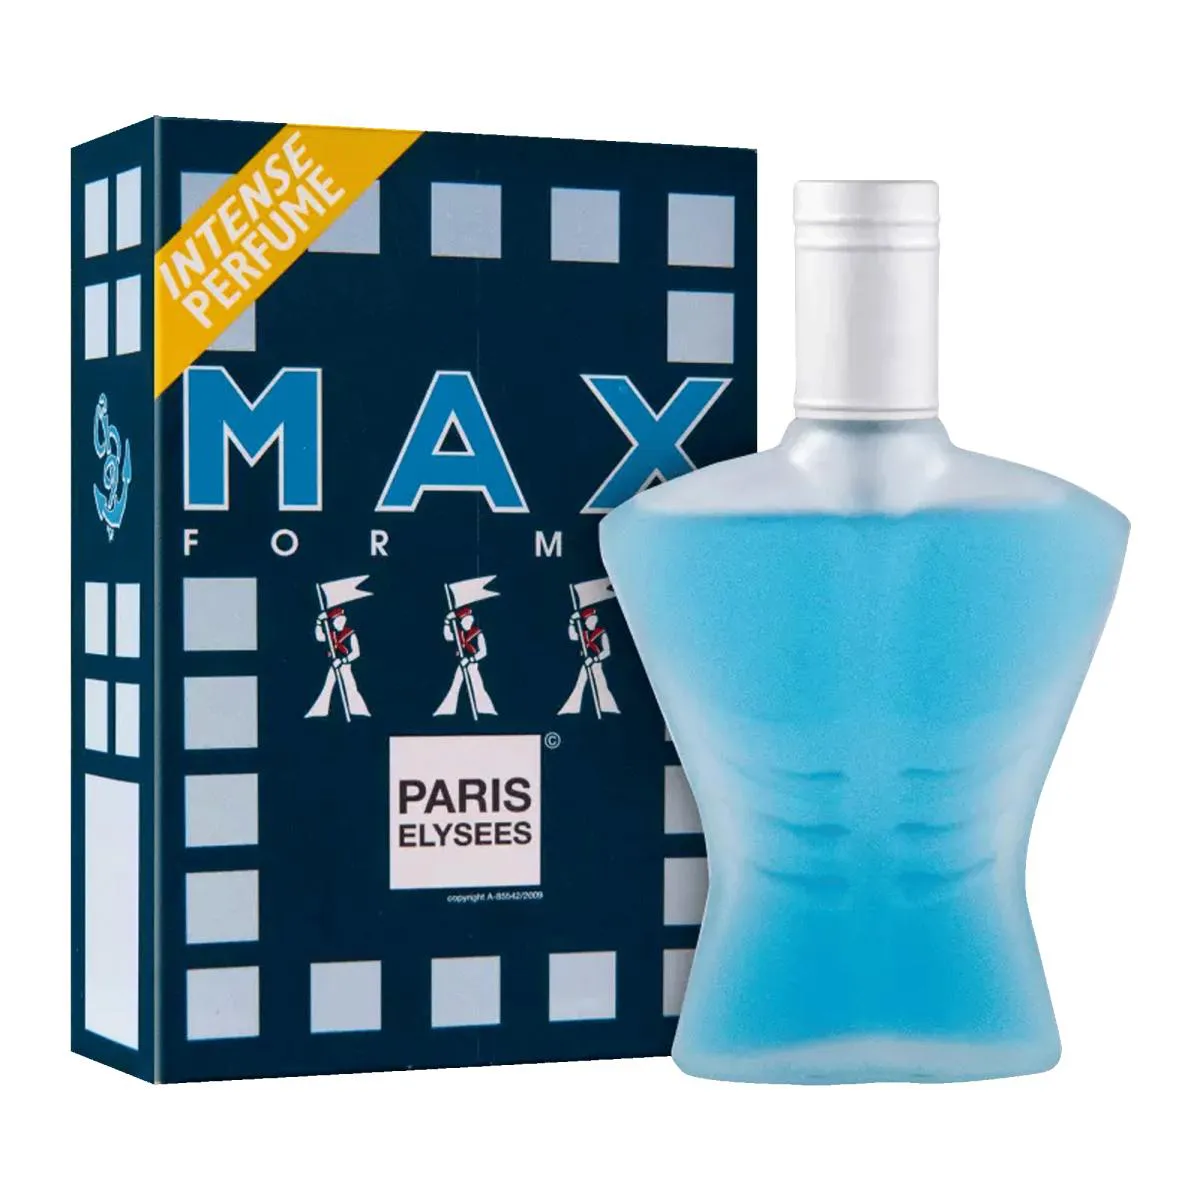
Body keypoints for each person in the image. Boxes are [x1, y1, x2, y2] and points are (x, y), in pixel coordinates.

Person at [305, 606, 371, 719]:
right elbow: (320, 637)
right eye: (337, 621)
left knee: (350, 687)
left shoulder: (350, 634)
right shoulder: (332, 634)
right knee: (328, 687)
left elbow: (356, 653)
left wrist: (343, 660)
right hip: (334, 665)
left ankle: (359, 711)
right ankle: (319, 711)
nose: (340, 623)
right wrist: (319, 622)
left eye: (342, 620)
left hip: (345, 665)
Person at [434, 606, 497, 717]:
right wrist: (447, 622)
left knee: (477, 686)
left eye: (469, 621)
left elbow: (483, 652)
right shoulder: (460, 634)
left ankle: (486, 710)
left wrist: (470, 659)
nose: (467, 623)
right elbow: (448, 637)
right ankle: (447, 710)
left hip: (472, 664)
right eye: (464, 621)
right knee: (455, 685)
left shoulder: (478, 634)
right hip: (462, 664)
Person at [558, 607, 619, 716]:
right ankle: (572, 708)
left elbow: (607, 651)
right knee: (580, 684)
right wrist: (571, 622)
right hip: (586, 664)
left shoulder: (601, 633)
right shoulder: (584, 634)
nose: (589, 623)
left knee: (601, 685)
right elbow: (573, 637)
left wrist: (595, 659)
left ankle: (609, 708)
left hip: (596, 664)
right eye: (587, 621)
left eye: (591, 620)